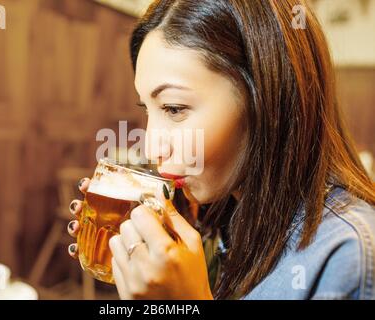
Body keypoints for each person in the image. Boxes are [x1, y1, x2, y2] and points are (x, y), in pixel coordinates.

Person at [67, 0, 375, 299]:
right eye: (149, 110)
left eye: (174, 108)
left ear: (266, 99)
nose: (152, 147)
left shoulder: (348, 254)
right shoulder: (228, 219)